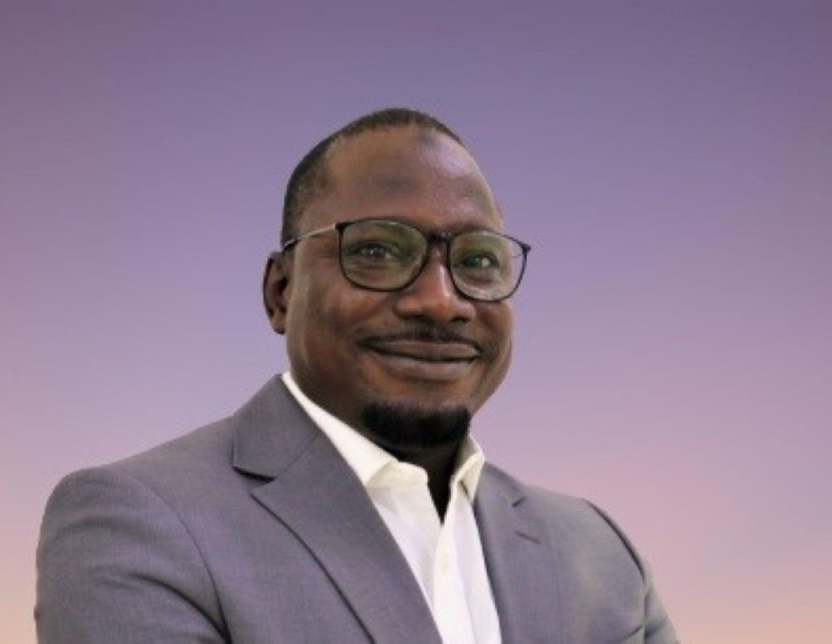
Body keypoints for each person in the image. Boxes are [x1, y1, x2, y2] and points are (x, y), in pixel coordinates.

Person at [35, 107, 678, 643]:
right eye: (377, 250)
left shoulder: (600, 553)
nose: (441, 302)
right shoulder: (139, 522)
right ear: (281, 292)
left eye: (477, 260)